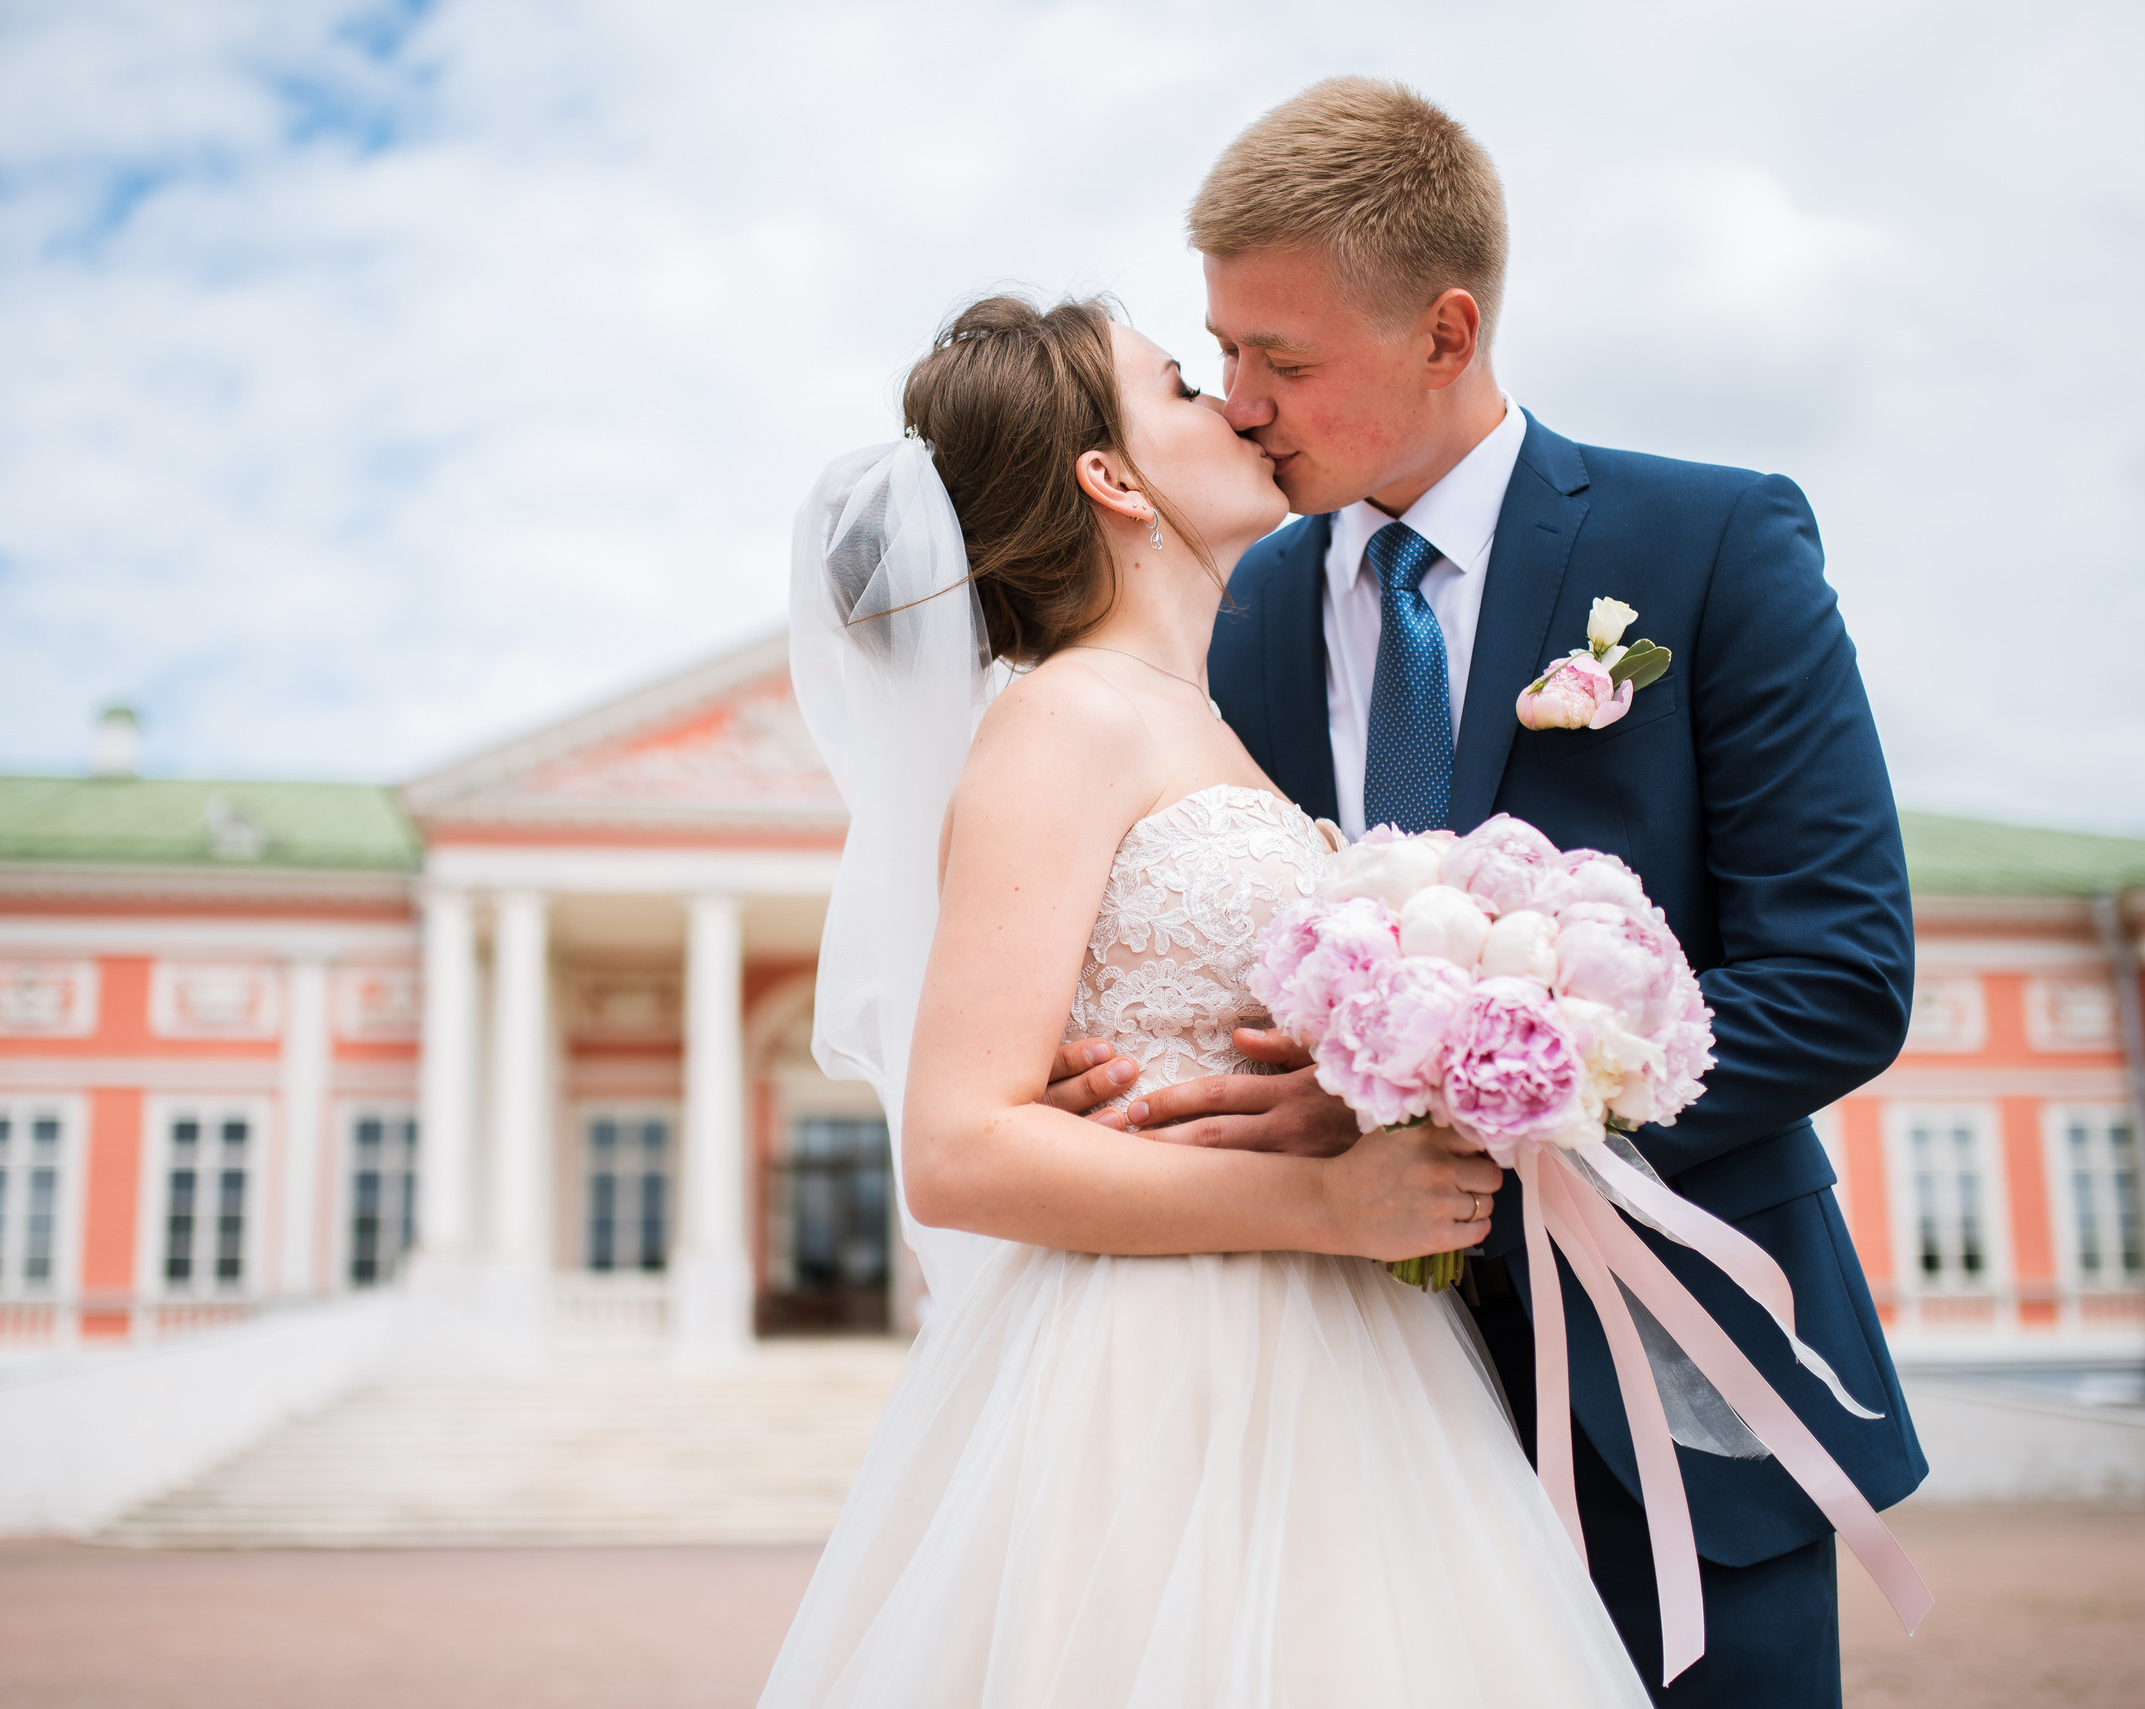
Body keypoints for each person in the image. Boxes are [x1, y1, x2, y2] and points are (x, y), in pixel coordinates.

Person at [1062, 78, 1927, 1706]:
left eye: (1286, 360)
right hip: (1338, 1400)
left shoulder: (1712, 540)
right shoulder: (1242, 613)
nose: (1239, 403)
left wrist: (1441, 1112)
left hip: (1667, 1385)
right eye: (1221, 349)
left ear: (1446, 331)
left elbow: (1839, 974)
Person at [763, 294, 1646, 1706]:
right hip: (1168, 1373)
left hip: (1340, 1343)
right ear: (1112, 481)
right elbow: (957, 1146)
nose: (1237, 403)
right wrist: (1325, 1206)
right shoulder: (1066, 716)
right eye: (1182, 385)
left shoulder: (1209, 720)